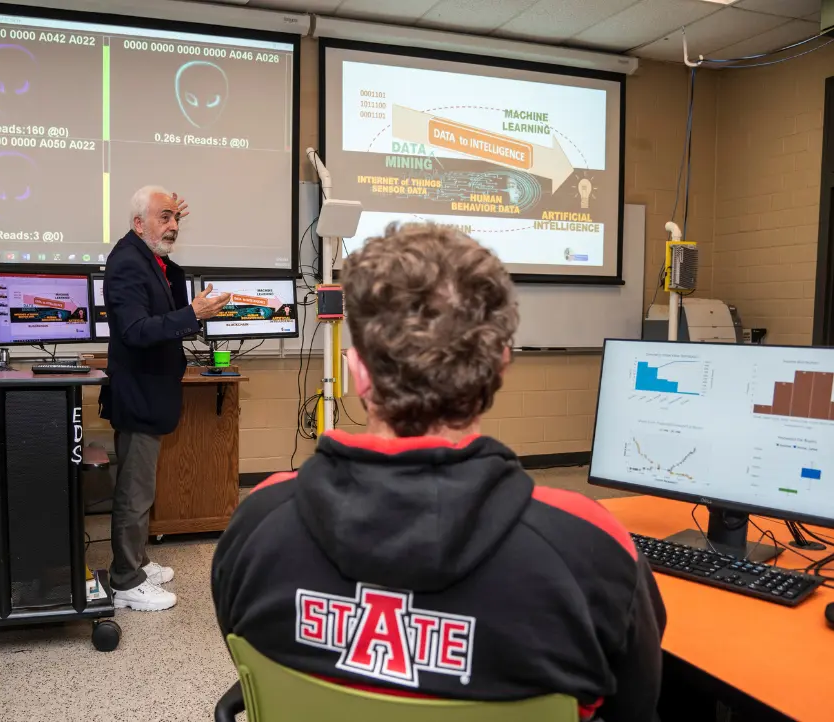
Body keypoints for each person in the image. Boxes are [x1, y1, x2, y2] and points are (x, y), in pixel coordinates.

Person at [211, 222, 666, 720]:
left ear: (356, 369)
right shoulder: (591, 548)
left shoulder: (255, 524)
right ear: (499, 368)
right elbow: (636, 706)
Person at [100, 185, 231, 612]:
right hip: (138, 392)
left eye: (176, 218)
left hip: (152, 391)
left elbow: (169, 294)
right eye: (164, 217)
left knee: (143, 487)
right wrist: (192, 315)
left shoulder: (148, 258)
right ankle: (125, 580)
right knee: (135, 492)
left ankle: (136, 561)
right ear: (138, 223)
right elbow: (136, 330)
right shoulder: (125, 263)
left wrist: (184, 305)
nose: (173, 225)